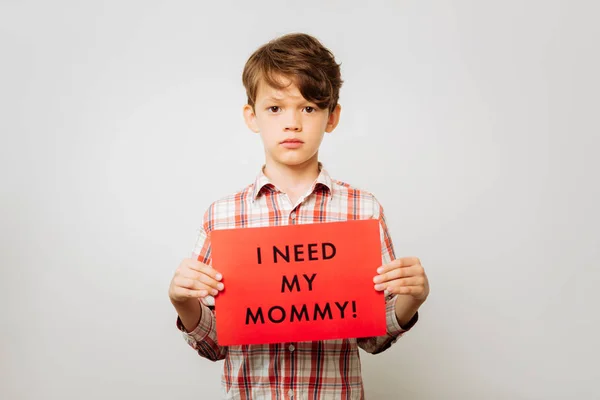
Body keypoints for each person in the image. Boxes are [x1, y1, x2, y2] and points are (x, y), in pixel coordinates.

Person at [168, 32, 430, 399]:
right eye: (275, 108)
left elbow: (373, 337)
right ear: (252, 116)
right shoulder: (222, 217)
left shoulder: (363, 210)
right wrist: (184, 303)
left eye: (308, 107)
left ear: (332, 116)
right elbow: (214, 345)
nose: (292, 123)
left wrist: (411, 300)